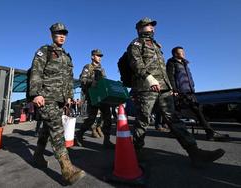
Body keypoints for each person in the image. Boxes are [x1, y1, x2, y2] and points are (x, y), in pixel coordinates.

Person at [127, 17, 225, 166]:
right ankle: (135, 153)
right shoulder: (136, 43)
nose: (152, 28)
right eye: (148, 25)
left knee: (174, 119)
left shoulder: (155, 45)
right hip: (146, 87)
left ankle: (195, 152)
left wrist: (170, 87)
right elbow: (136, 63)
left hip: (164, 88)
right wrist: (149, 78)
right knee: (143, 120)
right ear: (140, 28)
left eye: (153, 25)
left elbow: (162, 68)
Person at [29, 22, 85, 185]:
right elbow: (36, 72)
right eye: (58, 33)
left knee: (47, 128)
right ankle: (67, 170)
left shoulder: (67, 57)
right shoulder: (45, 51)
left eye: (64, 33)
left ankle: (38, 156)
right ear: (52, 34)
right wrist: (36, 93)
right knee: (57, 130)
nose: (62, 35)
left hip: (60, 99)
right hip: (46, 97)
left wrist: (68, 97)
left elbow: (68, 79)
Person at [166, 46, 229, 141]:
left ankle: (176, 132)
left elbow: (189, 77)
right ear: (175, 54)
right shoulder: (171, 63)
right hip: (180, 92)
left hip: (189, 92)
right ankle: (210, 133)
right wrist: (174, 90)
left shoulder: (185, 63)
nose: (183, 54)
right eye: (181, 52)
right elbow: (170, 77)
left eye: (183, 52)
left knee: (192, 112)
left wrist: (193, 86)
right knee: (190, 112)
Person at [76, 49, 114, 148]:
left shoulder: (102, 69)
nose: (99, 58)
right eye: (97, 55)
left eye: (100, 56)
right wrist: (91, 82)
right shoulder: (88, 67)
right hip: (93, 97)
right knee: (91, 119)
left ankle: (107, 140)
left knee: (108, 118)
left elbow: (104, 81)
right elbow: (82, 79)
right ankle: (79, 135)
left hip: (103, 97)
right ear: (92, 56)